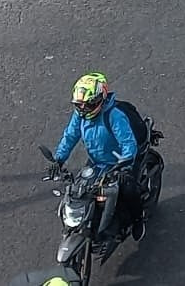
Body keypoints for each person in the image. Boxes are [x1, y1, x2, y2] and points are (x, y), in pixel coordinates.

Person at [51, 73, 146, 243]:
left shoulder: (115, 116)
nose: (83, 109)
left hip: (120, 163)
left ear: (99, 100)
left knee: (129, 190)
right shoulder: (79, 115)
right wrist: (58, 159)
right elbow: (70, 136)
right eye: (79, 105)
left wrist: (125, 167)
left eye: (88, 105)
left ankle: (139, 219)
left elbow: (128, 143)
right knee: (82, 191)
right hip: (97, 163)